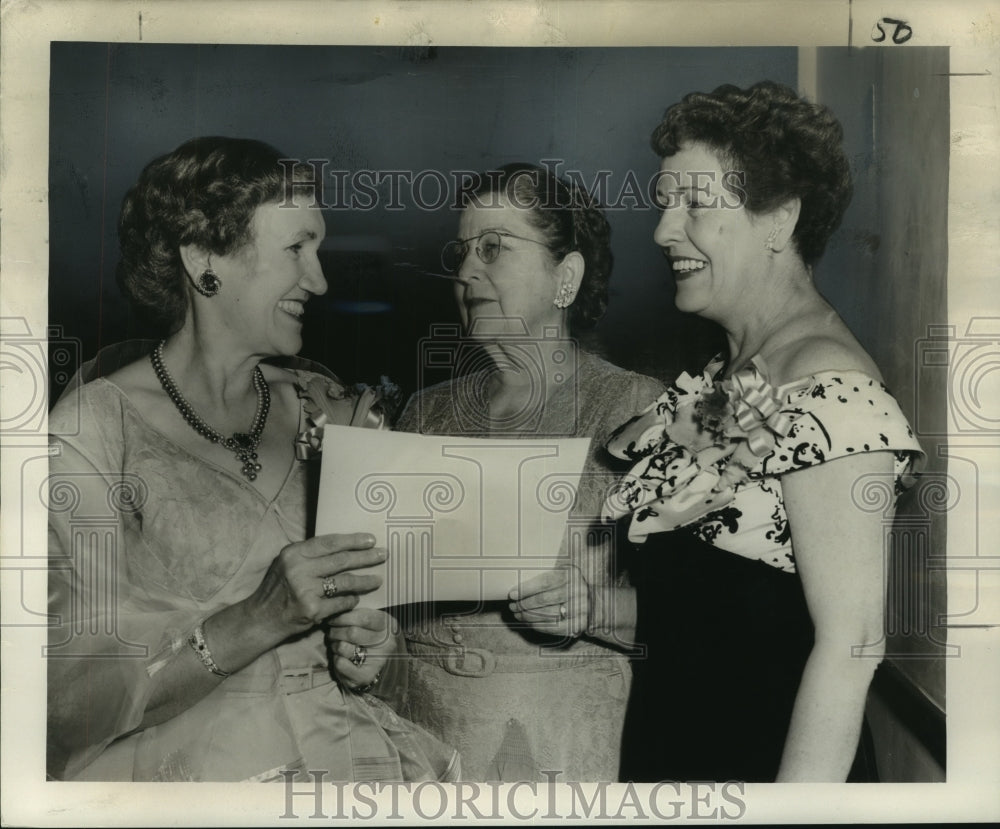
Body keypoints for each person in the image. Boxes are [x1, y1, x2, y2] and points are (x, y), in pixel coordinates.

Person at [509, 82, 925, 782]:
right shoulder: (741, 377)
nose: (664, 231)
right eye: (666, 204)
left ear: (779, 220)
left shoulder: (831, 386)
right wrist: (588, 608)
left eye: (695, 205)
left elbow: (850, 645)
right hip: (679, 760)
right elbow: (710, 601)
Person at [46, 136, 458, 782]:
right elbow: (68, 704)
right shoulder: (93, 434)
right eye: (296, 248)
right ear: (204, 257)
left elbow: (370, 627)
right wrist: (258, 618)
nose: (319, 280)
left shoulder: (323, 410)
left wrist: (362, 648)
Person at [393, 163, 666, 781]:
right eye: (462, 252)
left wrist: (592, 607)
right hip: (418, 743)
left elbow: (694, 609)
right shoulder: (423, 412)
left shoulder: (635, 409)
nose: (465, 271)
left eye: (493, 248)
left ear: (565, 275)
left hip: (563, 750)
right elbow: (390, 594)